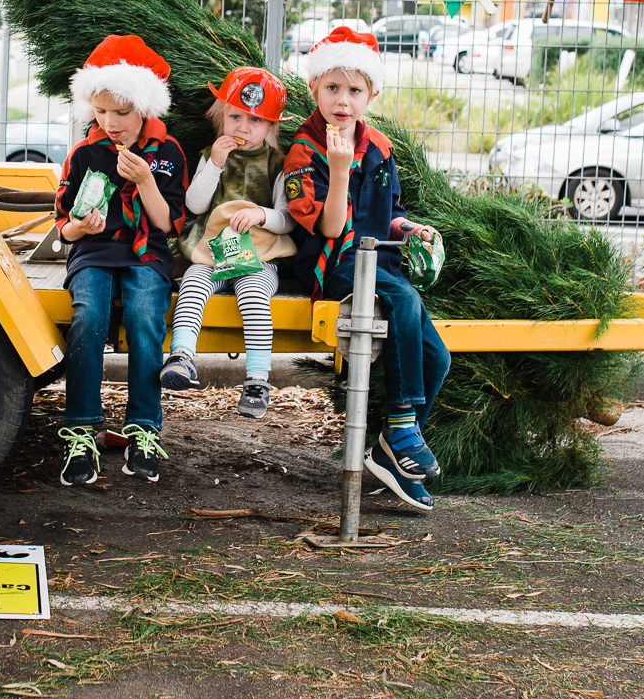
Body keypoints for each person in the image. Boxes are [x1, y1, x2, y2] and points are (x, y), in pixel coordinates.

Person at [281, 26, 449, 512]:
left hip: (381, 261)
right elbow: (331, 230)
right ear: (314, 88)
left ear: (371, 94)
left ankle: (388, 453)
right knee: (402, 300)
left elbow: (387, 211)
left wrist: (411, 226)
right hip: (334, 266)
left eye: (355, 90)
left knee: (438, 359)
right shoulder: (304, 152)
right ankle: (399, 427)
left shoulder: (380, 147)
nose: (343, 100)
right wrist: (336, 171)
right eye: (332, 87)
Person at [53, 35, 187, 486]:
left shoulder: (167, 154)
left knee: (146, 315)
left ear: (145, 107)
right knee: (88, 316)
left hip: (146, 252)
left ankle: (144, 428)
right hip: (93, 251)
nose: (110, 122)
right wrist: (80, 228)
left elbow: (168, 225)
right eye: (101, 111)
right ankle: (81, 430)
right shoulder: (85, 153)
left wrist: (146, 181)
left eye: (122, 112)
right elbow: (63, 228)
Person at [159, 66, 295, 418]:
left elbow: (288, 218)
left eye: (255, 120)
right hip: (211, 253)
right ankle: (182, 356)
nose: (243, 128)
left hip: (260, 255)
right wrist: (215, 164)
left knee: (254, 296)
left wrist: (261, 215)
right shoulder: (211, 155)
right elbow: (195, 205)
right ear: (221, 117)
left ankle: (257, 379)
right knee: (192, 283)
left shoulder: (278, 163)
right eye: (235, 116)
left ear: (270, 127)